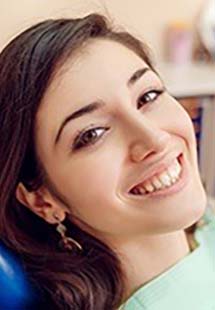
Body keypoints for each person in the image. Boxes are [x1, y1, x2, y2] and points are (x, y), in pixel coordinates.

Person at [0, 12, 214, 310]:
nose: (154, 139)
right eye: (92, 134)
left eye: (148, 96)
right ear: (42, 200)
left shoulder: (206, 226)